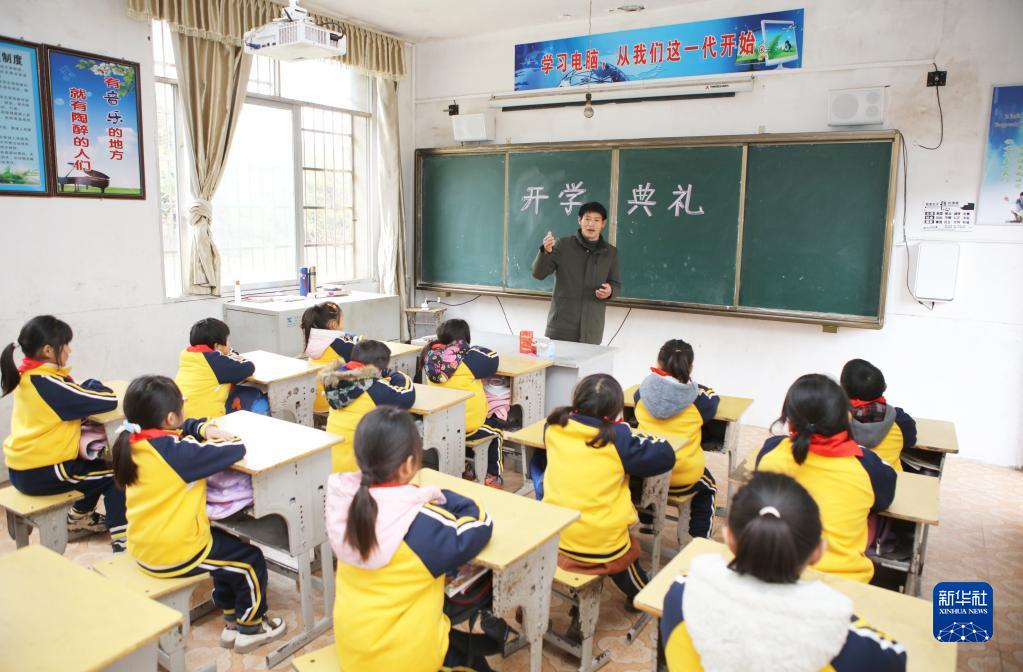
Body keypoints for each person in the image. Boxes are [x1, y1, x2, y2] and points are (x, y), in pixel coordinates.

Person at [660, 472, 907, 671]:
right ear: (818, 552)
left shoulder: (682, 596)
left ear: (729, 540)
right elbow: (897, 659)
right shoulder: (851, 643)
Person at [111, 375, 287, 653]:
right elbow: (234, 449)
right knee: (250, 561)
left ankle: (231, 620)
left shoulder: (133, 442)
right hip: (175, 552)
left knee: (225, 547)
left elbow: (184, 432)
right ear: (171, 418)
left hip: (144, 544)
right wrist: (218, 434)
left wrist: (202, 428)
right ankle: (252, 628)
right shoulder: (176, 453)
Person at [327, 406, 499, 672]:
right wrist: (436, 495)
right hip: (405, 660)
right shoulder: (420, 525)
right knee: (480, 586)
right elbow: (480, 525)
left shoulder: (346, 507)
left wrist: (411, 495)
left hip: (355, 653)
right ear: (409, 465)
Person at [542, 374, 675, 609]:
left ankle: (575, 607)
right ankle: (640, 594)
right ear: (615, 410)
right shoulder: (618, 438)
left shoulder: (553, 426)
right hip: (600, 541)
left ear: (576, 400)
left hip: (557, 533)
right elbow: (666, 456)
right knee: (625, 554)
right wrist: (625, 429)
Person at [1, 315, 126, 552]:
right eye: (65, 344)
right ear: (48, 350)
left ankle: (78, 519)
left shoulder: (28, 376)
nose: (69, 350)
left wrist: (83, 388)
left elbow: (71, 393)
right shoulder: (48, 384)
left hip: (24, 467)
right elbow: (107, 400)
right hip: (44, 471)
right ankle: (123, 543)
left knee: (96, 465)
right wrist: (94, 384)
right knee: (116, 475)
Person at [756, 374, 897, 583]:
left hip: (774, 574)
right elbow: (886, 499)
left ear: (789, 420)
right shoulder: (866, 464)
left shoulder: (770, 451)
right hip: (843, 583)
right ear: (847, 417)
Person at [633, 339, 720, 540]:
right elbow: (712, 397)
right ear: (690, 367)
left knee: (640, 477)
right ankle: (700, 538)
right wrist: (690, 383)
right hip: (682, 477)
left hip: (647, 472)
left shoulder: (642, 393)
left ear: (658, 363)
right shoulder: (700, 402)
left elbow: (641, 394)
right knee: (709, 487)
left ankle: (648, 520)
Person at [423, 319, 505, 487]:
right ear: (464, 339)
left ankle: (465, 467)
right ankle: (492, 475)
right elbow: (493, 357)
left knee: (457, 430)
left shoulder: (430, 356)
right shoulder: (469, 360)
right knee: (496, 430)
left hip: (440, 424)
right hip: (468, 426)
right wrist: (467, 348)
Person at [531, 201, 621, 345]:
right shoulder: (563, 245)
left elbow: (615, 284)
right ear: (579, 220)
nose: (591, 224)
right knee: (558, 360)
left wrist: (610, 291)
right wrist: (545, 252)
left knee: (589, 361)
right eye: (587, 219)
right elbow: (538, 274)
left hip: (592, 328)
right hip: (561, 327)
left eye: (596, 220)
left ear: (603, 224)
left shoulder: (610, 253)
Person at [322, 339, 415, 472]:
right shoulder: (374, 389)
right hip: (362, 469)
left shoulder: (333, 381)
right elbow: (408, 395)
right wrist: (396, 374)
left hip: (332, 464)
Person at [174, 318, 261, 420]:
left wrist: (229, 354)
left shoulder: (189, 356)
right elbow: (248, 368)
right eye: (227, 340)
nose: (229, 343)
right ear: (217, 346)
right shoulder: (214, 362)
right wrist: (242, 359)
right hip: (204, 420)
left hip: (182, 418)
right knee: (251, 393)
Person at [840, 359, 916, 471]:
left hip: (853, 480)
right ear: (883, 387)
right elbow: (911, 441)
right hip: (893, 480)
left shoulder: (835, 423)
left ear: (843, 391)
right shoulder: (899, 419)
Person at [301, 301, 362, 414]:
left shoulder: (312, 339)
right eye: (342, 320)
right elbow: (364, 347)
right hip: (333, 402)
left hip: (314, 402)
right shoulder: (338, 341)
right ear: (333, 324)